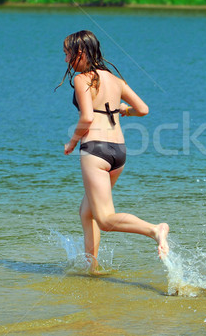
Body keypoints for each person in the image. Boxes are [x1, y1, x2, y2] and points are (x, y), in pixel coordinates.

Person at [56, 30, 169, 271]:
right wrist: (122, 111)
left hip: (95, 151)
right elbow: (143, 109)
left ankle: (154, 230)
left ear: (79, 52)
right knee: (87, 212)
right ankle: (92, 268)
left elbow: (86, 118)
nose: (65, 60)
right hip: (118, 152)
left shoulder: (82, 79)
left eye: (67, 54)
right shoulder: (116, 81)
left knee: (105, 219)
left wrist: (72, 142)